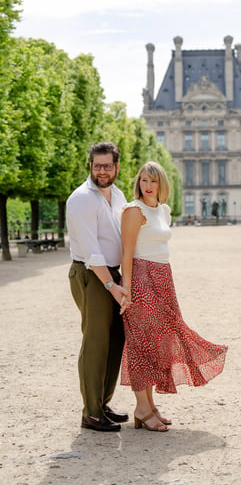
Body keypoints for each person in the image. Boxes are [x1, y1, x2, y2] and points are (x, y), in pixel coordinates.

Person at [120, 161, 228, 432]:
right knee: (141, 343)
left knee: (160, 342)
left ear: (161, 184)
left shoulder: (164, 211)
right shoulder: (134, 211)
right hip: (142, 278)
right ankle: (142, 407)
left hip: (163, 277)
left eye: (153, 181)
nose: (147, 186)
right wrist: (127, 292)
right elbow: (127, 254)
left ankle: (149, 406)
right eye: (143, 180)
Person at [66, 142, 131, 432]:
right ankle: (91, 413)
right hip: (92, 275)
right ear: (90, 166)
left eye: (107, 165)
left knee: (117, 339)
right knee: (96, 342)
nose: (101, 171)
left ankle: (103, 403)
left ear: (117, 167)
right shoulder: (81, 199)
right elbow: (92, 253)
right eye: (97, 165)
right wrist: (110, 284)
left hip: (113, 275)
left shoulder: (118, 196)